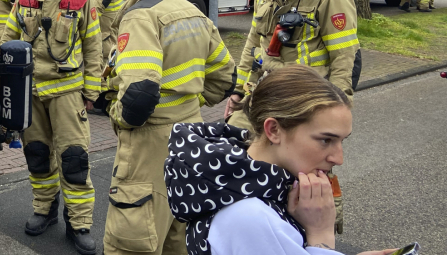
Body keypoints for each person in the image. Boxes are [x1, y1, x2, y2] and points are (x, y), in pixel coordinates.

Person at [166, 66, 397, 255]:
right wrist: (321, 236)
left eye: (342, 141)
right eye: (326, 140)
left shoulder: (235, 184)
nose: (339, 158)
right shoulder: (249, 218)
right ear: (274, 130)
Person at [103, 0, 235, 255]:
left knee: (132, 239)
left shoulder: (139, 16)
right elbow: (226, 76)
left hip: (150, 142)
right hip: (190, 133)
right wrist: (189, 105)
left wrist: (117, 115)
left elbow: (139, 95)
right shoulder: (189, 9)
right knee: (178, 234)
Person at [226, 0, 359, 234]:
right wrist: (238, 91)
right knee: (241, 145)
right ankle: (255, 218)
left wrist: (337, 110)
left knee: (309, 169)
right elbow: (254, 43)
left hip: (307, 100)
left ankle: (321, 226)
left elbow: (344, 58)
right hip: (265, 93)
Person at [0, 0, 103, 255]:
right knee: (38, 154)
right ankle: (44, 209)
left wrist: (92, 90)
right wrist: (5, 76)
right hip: (31, 91)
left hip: (67, 92)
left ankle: (79, 223)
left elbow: (93, 46)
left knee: (73, 159)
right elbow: (9, 34)